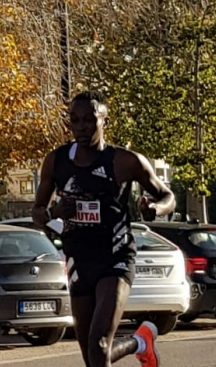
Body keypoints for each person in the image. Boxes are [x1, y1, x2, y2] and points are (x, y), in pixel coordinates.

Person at [32, 91, 176, 367]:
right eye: (75, 120)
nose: (81, 127)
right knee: (93, 355)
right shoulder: (56, 161)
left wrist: (155, 209)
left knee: (99, 345)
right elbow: (37, 214)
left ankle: (140, 342)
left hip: (115, 259)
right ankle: (140, 342)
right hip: (78, 260)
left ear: (104, 121)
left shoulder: (125, 161)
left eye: (89, 119)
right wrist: (54, 212)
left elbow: (167, 196)